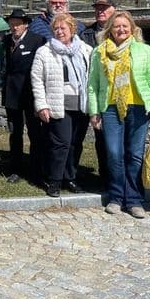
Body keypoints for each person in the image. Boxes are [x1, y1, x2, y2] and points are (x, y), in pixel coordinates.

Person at [87, 10, 150, 219]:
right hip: (109, 108)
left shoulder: (144, 50)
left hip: (138, 108)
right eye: (117, 26)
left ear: (132, 29)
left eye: (125, 26)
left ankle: (134, 199)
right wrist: (93, 111)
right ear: (110, 28)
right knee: (114, 153)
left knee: (134, 154)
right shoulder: (99, 52)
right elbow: (92, 84)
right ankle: (116, 197)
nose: (121, 29)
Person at [30, 13, 92, 197]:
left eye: (63, 28)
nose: (59, 31)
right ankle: (54, 180)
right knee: (61, 144)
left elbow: (92, 77)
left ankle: (70, 178)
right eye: (56, 29)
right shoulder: (45, 51)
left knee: (75, 144)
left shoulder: (86, 50)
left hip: (81, 104)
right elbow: (36, 79)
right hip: (58, 105)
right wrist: (41, 105)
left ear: (72, 29)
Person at [1, 8, 46, 185]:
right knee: (15, 133)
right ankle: (16, 168)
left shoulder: (37, 40)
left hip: (30, 94)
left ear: (25, 24)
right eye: (12, 24)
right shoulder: (5, 41)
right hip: (12, 94)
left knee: (35, 133)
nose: (14, 27)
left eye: (17, 24)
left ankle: (36, 168)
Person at [80, 0, 116, 187]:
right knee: (100, 137)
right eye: (98, 8)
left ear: (114, 9)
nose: (100, 11)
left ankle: (119, 177)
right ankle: (104, 176)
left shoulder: (121, 30)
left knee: (116, 139)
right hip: (92, 90)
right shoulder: (85, 34)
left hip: (116, 92)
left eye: (105, 8)